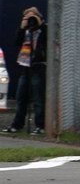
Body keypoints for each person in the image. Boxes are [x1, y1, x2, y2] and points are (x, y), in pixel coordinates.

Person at [6, 7, 47, 135]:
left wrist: (40, 26)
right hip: (25, 65)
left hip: (38, 65)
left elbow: (47, 41)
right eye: (28, 18)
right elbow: (17, 42)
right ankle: (17, 124)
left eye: (33, 17)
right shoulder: (25, 31)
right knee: (21, 97)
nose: (31, 20)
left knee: (38, 98)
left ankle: (40, 125)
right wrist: (22, 27)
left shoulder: (44, 29)